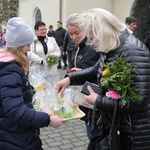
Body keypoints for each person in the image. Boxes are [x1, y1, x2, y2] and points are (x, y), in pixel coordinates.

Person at [56, 8, 150, 150]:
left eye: (93, 38)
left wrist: (98, 101)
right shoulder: (113, 45)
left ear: (103, 31)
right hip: (118, 125)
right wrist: (70, 79)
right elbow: (96, 69)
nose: (92, 44)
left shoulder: (132, 51)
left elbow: (139, 102)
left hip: (134, 134)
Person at [0, 17, 65, 150]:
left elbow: (15, 94)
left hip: (13, 132)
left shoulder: (9, 66)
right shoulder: (9, 70)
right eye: (27, 45)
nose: (29, 49)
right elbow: (16, 111)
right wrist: (48, 120)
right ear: (19, 46)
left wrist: (36, 91)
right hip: (15, 137)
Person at [64, 13, 101, 139]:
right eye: (70, 34)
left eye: (76, 33)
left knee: (97, 137)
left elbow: (103, 72)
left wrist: (81, 71)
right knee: (91, 134)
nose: (73, 37)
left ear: (85, 29)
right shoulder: (78, 47)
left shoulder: (95, 47)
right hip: (84, 100)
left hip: (97, 102)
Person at [27, 21, 60, 86]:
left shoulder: (52, 40)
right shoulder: (32, 41)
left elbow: (58, 51)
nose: (44, 31)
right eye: (41, 29)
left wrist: (52, 57)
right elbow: (30, 53)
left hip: (51, 69)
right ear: (36, 31)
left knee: (51, 89)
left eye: (45, 29)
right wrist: (41, 61)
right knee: (39, 90)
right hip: (37, 70)